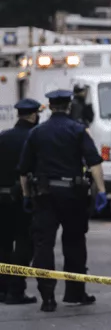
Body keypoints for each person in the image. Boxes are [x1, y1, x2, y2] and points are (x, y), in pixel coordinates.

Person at [18, 89, 107, 312]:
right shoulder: (78, 130)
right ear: (68, 106)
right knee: (74, 243)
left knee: (43, 245)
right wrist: (102, 190)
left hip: (44, 197)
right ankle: (75, 293)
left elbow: (24, 169)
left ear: (49, 106)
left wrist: (27, 195)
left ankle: (47, 297)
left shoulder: (37, 133)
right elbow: (94, 162)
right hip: (73, 197)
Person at [0, 99, 41, 305]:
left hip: (1, 198)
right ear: (33, 115)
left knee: (3, 244)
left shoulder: (3, 137)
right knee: (25, 243)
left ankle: (2, 288)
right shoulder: (34, 138)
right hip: (24, 198)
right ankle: (16, 290)